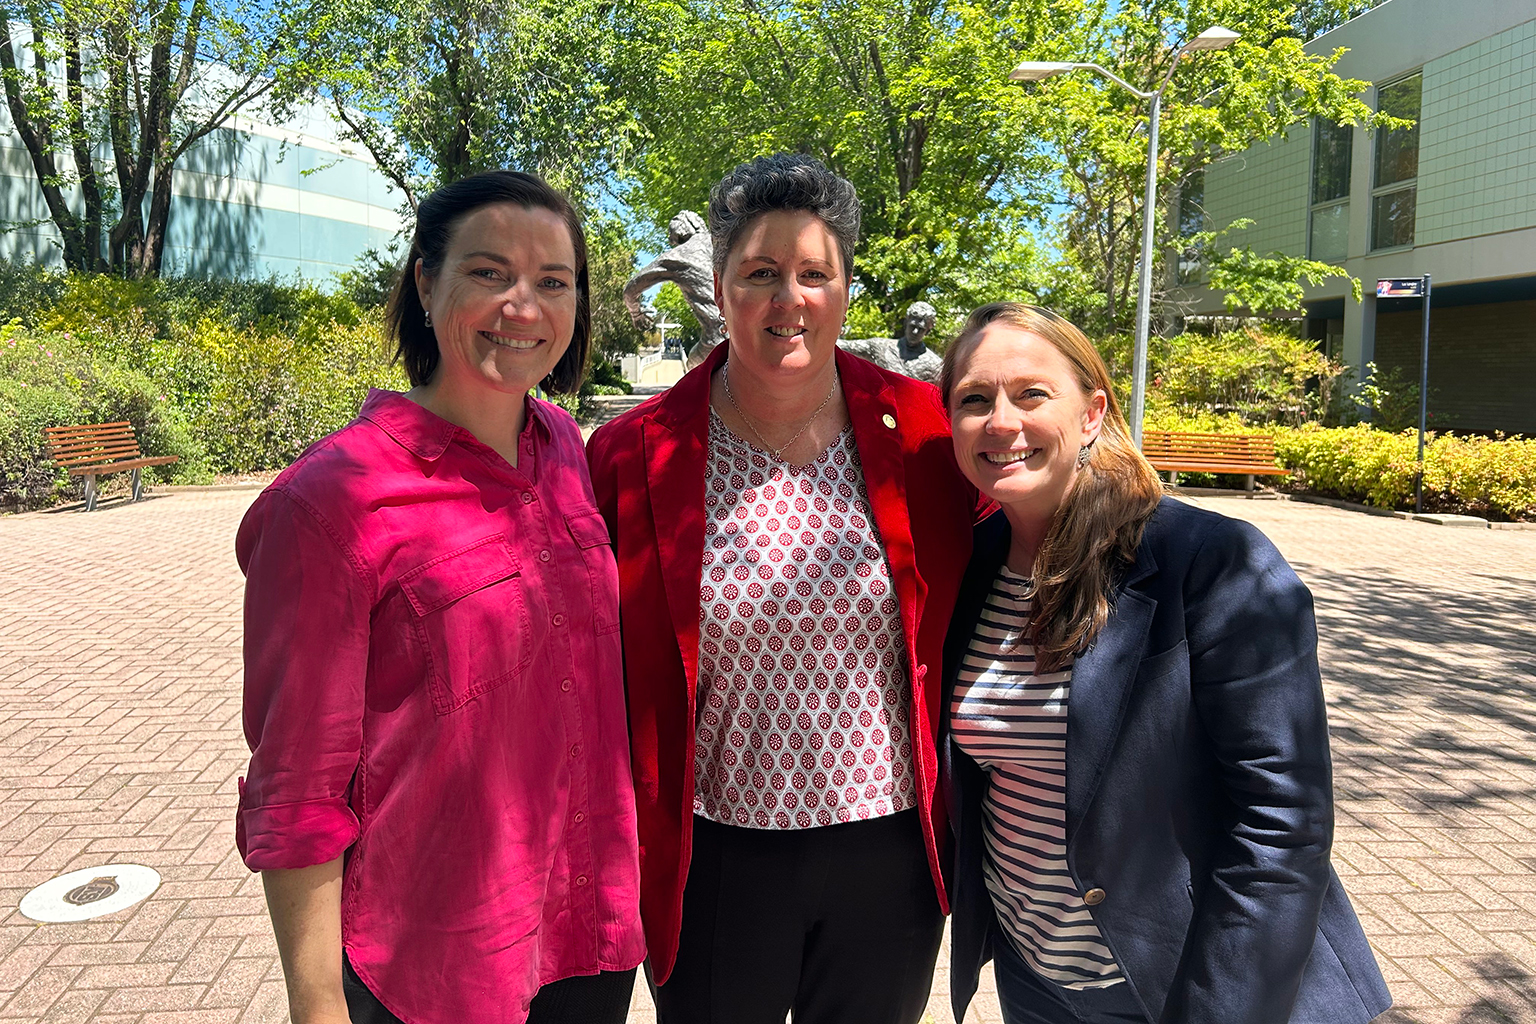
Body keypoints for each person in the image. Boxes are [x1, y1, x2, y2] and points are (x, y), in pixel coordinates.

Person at [235, 170, 644, 1024]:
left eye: (553, 282)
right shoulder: (331, 500)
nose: (523, 307)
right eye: (489, 273)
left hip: (588, 931)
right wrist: (316, 1007)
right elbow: (296, 788)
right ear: (426, 282)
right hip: (437, 963)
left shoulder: (565, 446)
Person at [586, 153, 976, 1024]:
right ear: (719, 287)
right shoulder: (630, 453)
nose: (786, 298)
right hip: (715, 854)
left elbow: (1029, 535)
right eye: (760, 273)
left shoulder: (924, 433)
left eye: (812, 273)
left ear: (845, 290)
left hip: (890, 854)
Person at [939, 301, 1391, 1024]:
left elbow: (1281, 819)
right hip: (1036, 981)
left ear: (1091, 413)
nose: (1001, 421)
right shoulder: (974, 567)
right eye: (973, 399)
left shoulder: (1211, 562)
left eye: (1031, 393)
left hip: (1184, 984)